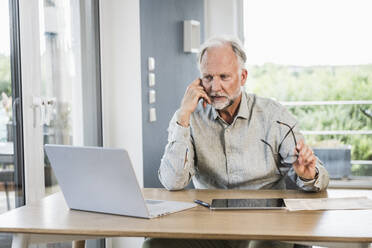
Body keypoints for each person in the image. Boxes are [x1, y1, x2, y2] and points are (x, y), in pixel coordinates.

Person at [143, 35, 329, 248]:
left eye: (224, 76)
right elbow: (172, 182)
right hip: (209, 226)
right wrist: (183, 116)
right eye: (208, 77)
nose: (215, 87)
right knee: (155, 245)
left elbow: (320, 180)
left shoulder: (274, 116)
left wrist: (308, 175)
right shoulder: (188, 118)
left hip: (265, 225)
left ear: (243, 76)